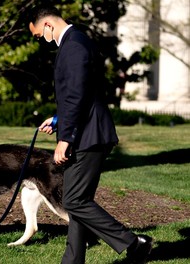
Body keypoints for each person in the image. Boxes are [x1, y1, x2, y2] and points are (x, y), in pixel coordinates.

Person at [28, 5, 153, 264]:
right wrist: (59, 119)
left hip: (89, 136)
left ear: (48, 25)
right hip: (88, 132)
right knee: (79, 201)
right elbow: (84, 93)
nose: (40, 41)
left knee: (73, 200)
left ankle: (134, 243)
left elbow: (75, 96)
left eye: (39, 35)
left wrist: (65, 139)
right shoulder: (78, 40)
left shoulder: (73, 46)